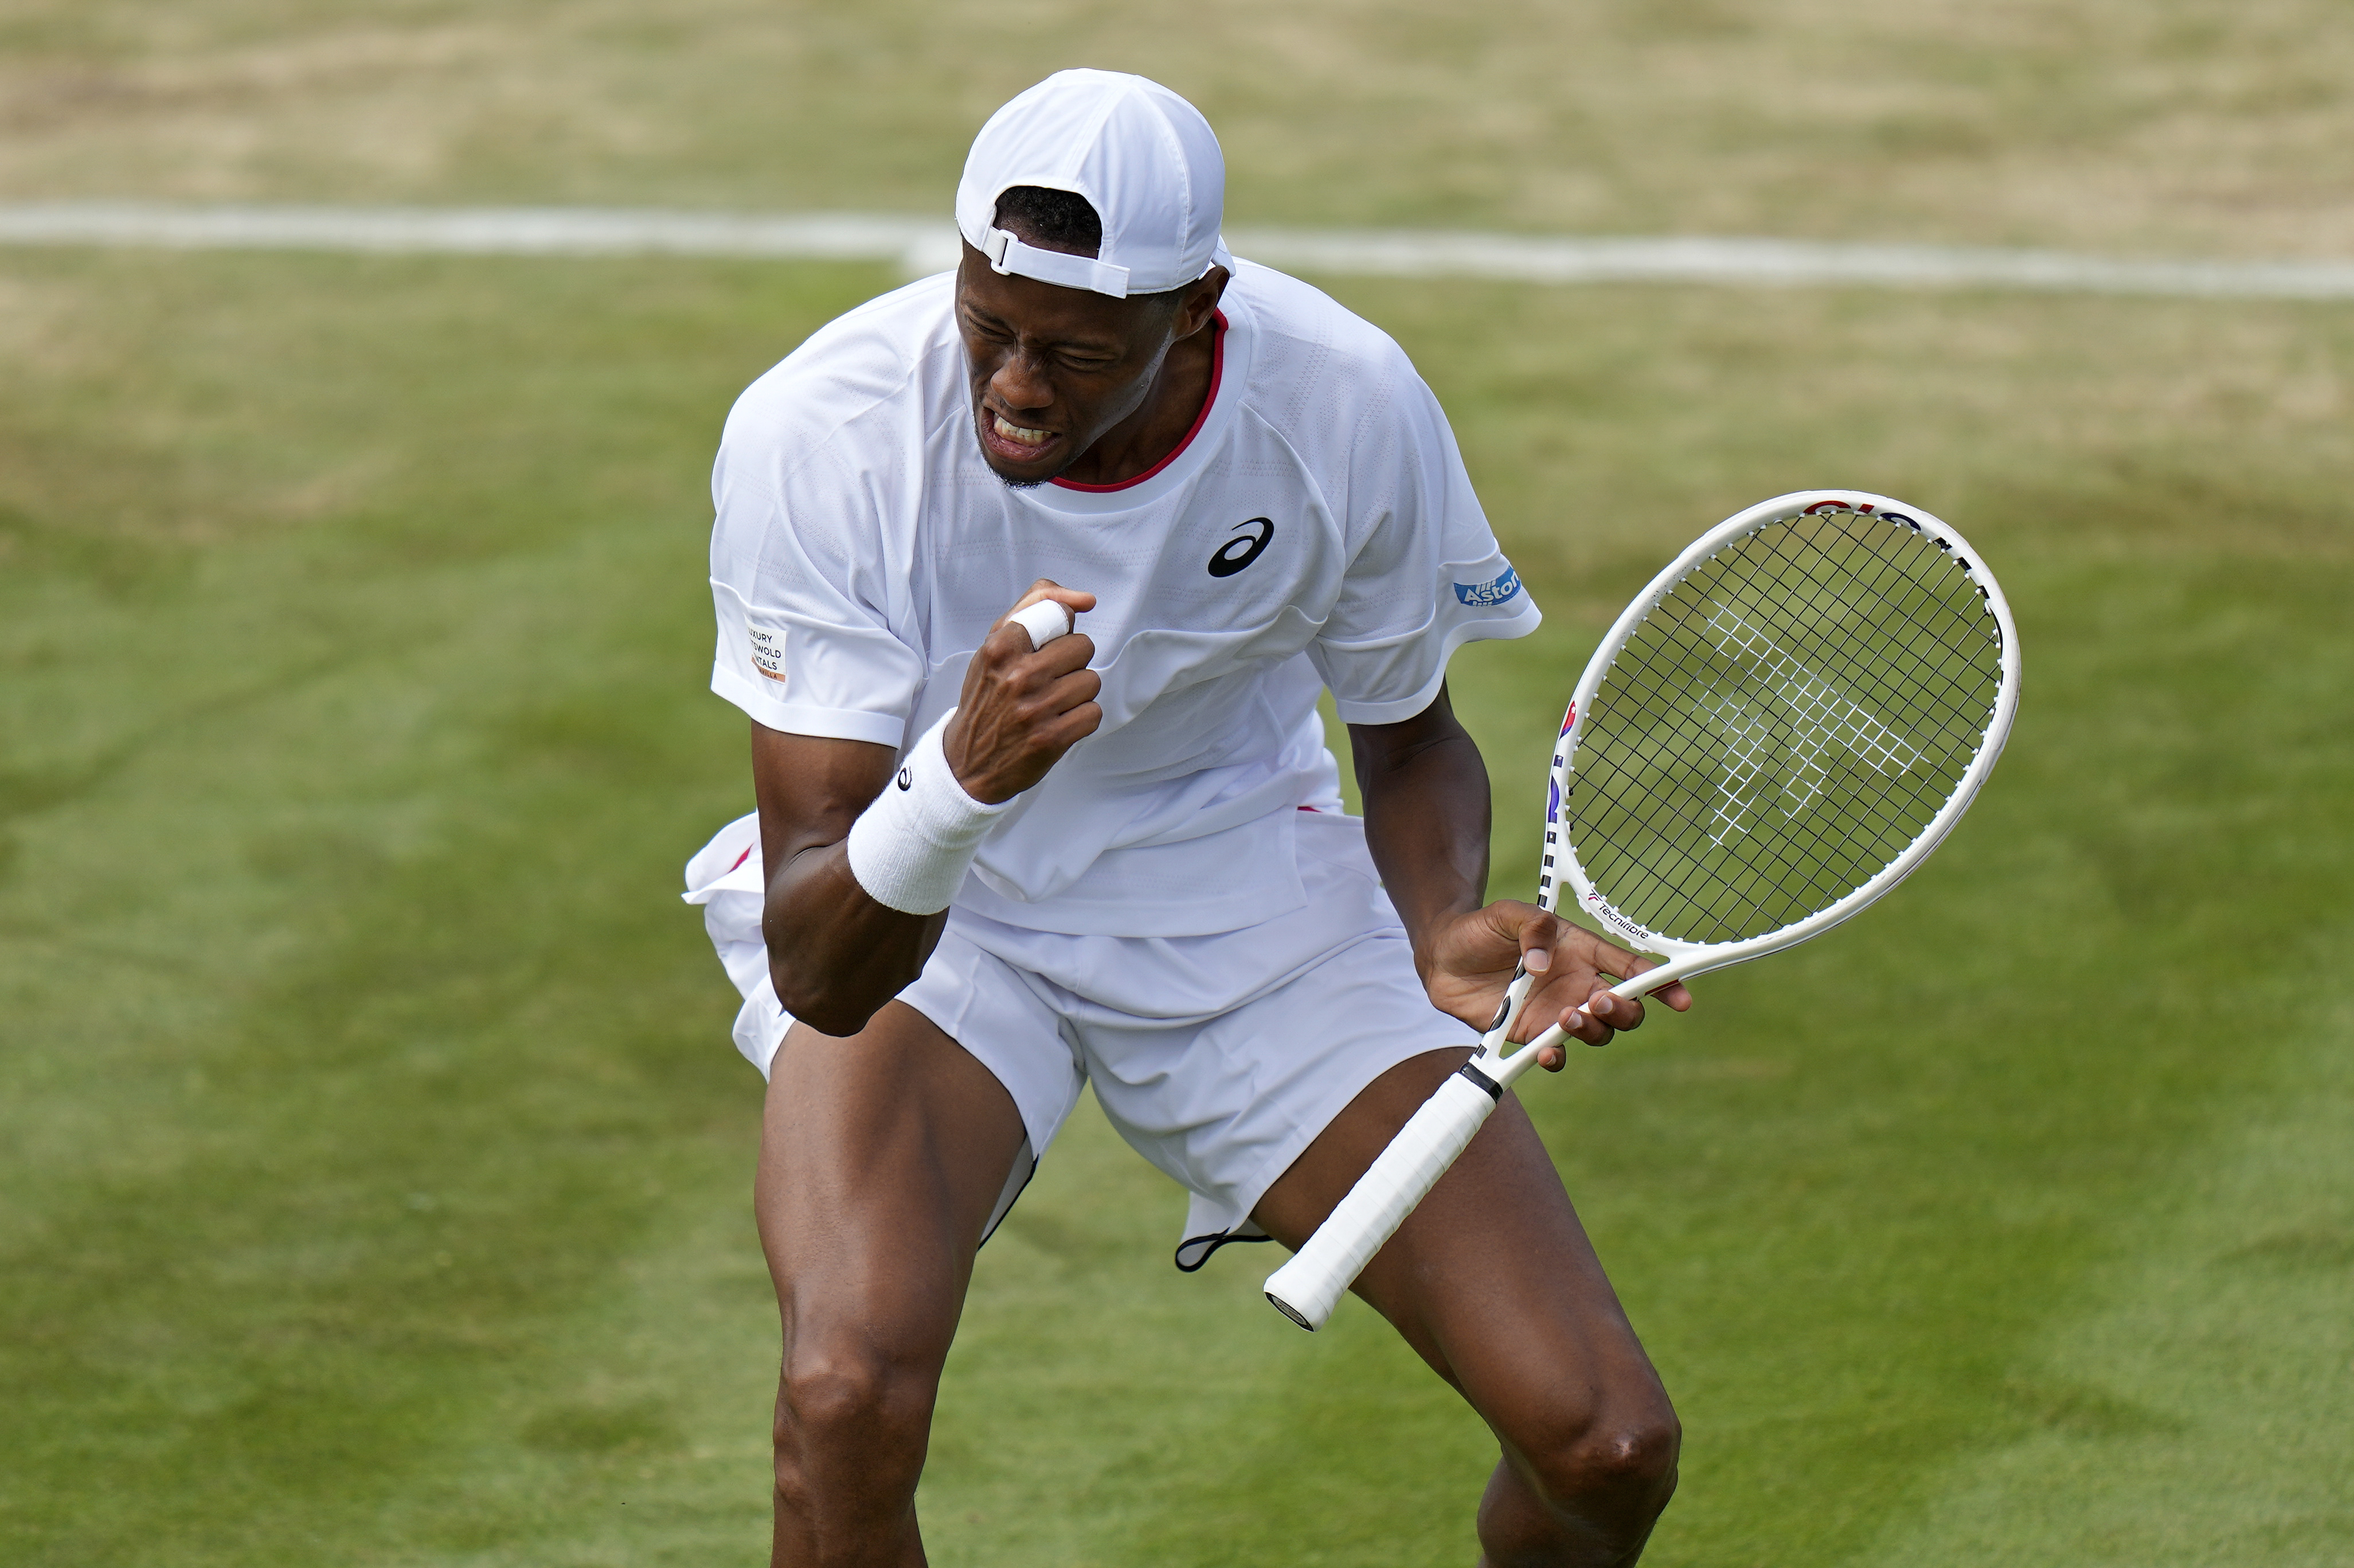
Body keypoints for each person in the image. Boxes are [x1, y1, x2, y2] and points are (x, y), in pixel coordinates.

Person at [681, 68, 1694, 1567]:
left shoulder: (1342, 402)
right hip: (930, 910)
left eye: (1075, 354)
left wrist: (1441, 928)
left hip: (1239, 879)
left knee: (1605, 1447)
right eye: (990, 326)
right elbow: (823, 964)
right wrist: (959, 778)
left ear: (1197, 310)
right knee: (844, 1395)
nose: (1016, 386)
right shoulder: (818, 431)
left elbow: (1405, 733)